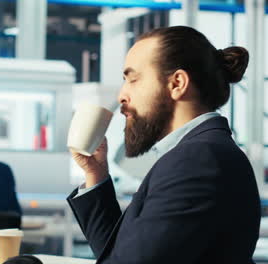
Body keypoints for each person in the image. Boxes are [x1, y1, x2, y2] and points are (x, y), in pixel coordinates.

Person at [68, 26, 261, 264]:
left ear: (177, 83)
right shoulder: (199, 153)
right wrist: (95, 175)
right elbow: (123, 255)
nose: (122, 95)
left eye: (133, 79)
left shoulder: (198, 160)